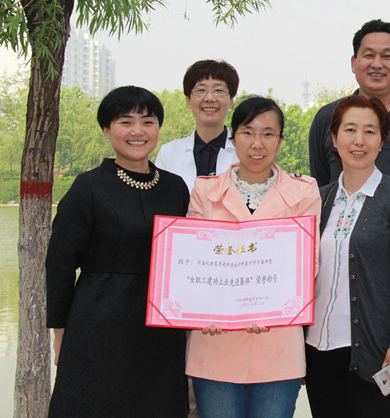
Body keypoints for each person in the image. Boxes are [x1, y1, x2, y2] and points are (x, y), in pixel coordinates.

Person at [46, 86, 190, 417]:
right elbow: (60, 264)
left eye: (148, 121)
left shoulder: (174, 187)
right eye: (126, 122)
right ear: (107, 130)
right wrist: (60, 330)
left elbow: (188, 257)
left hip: (160, 328)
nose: (138, 131)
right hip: (98, 322)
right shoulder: (88, 187)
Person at [185, 96, 321, 418]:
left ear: (280, 140)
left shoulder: (304, 191)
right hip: (215, 341)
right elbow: (192, 261)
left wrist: (267, 305)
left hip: (277, 345)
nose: (257, 143)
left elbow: (307, 265)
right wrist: (204, 308)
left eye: (268, 133)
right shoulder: (205, 191)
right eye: (248, 132)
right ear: (233, 139)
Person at [305, 95, 390, 418]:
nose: (359, 140)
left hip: (375, 352)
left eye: (370, 131)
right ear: (334, 138)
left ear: (382, 141)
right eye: (350, 130)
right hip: (317, 349)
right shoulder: (318, 199)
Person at [308, 19, 390, 201]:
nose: (377, 64)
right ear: (354, 62)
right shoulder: (328, 117)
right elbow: (321, 186)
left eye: (387, 56)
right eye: (369, 55)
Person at [155, 59, 239, 192]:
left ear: (231, 101)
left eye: (218, 90)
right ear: (188, 100)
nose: (210, 98)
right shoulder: (168, 153)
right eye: (201, 90)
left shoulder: (244, 152)